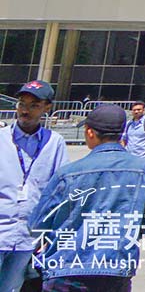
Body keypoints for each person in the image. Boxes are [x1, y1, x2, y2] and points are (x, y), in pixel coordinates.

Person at [28, 103, 145, 292]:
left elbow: (37, 224)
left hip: (65, 267)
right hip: (114, 268)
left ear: (90, 132)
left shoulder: (67, 174)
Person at [1, 80, 66, 292]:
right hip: (1, 230)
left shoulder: (54, 143)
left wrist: (51, 235)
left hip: (27, 239)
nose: (25, 110)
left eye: (33, 105)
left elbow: (59, 192)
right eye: (22, 104)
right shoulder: (2, 139)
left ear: (47, 108)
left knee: (10, 288)